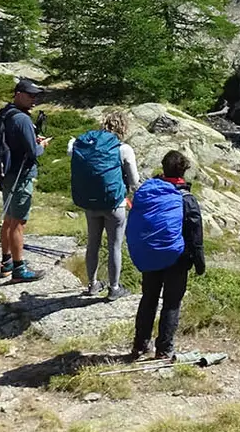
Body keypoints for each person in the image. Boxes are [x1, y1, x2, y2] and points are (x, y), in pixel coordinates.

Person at [125, 150, 205, 360]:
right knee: (171, 303)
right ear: (184, 171)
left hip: (151, 254)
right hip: (177, 258)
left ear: (163, 167)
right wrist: (199, 262)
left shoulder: (149, 192)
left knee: (148, 298)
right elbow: (195, 234)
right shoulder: (186, 198)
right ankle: (164, 349)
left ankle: (140, 345)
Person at [69, 110, 140, 300]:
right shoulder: (123, 149)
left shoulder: (85, 146)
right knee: (114, 246)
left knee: (93, 244)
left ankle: (92, 285)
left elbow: (71, 150)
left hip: (90, 205)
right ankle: (114, 288)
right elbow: (134, 180)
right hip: (114, 205)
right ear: (123, 127)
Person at [0, 78, 49, 282]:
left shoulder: (6, 112)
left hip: (7, 173)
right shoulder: (23, 119)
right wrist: (42, 145)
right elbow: (33, 152)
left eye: (36, 96)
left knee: (8, 219)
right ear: (18, 94)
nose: (34, 100)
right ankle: (19, 270)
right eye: (30, 95)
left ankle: (6, 263)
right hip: (21, 175)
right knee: (18, 223)